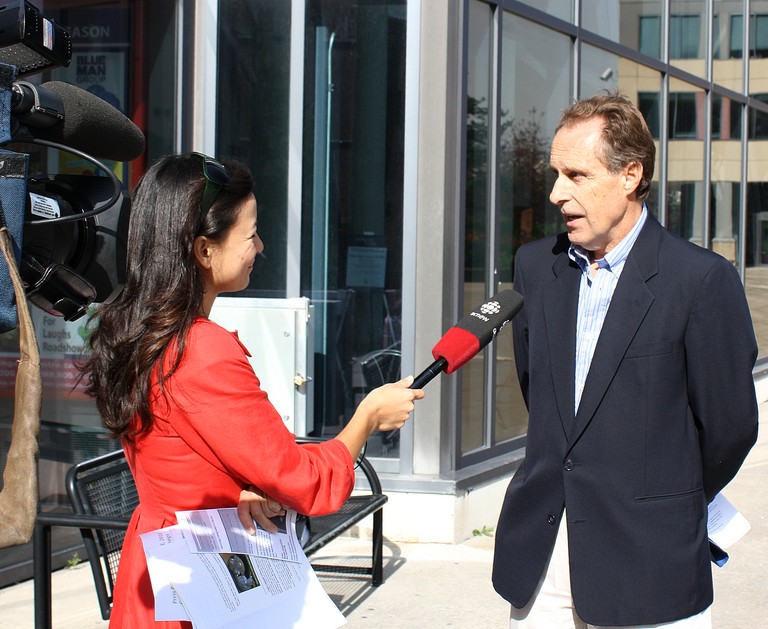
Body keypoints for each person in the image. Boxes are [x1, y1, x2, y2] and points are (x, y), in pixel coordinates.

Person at [80, 152, 424, 628]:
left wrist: (240, 487)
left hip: (161, 564)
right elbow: (303, 481)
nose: (260, 247)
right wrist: (366, 418)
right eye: (251, 235)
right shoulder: (199, 349)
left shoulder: (140, 334)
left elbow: (189, 454)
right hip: (201, 583)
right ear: (204, 250)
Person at [492, 93, 758, 628]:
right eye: (555, 174)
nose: (556, 193)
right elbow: (540, 393)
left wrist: (663, 495)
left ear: (630, 175)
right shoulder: (535, 266)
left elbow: (729, 429)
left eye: (576, 175)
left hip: (650, 561)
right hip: (544, 554)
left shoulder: (701, 279)